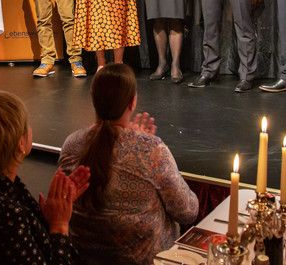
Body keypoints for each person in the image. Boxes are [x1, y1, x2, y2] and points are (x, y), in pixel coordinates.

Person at [58, 64, 198, 265]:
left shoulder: (71, 144)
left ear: (93, 99)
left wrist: (138, 143)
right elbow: (187, 211)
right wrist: (143, 146)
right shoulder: (150, 150)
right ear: (132, 102)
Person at [0, 90, 90, 265]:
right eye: (27, 125)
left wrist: (45, 218)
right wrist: (60, 225)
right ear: (20, 144)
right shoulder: (7, 215)